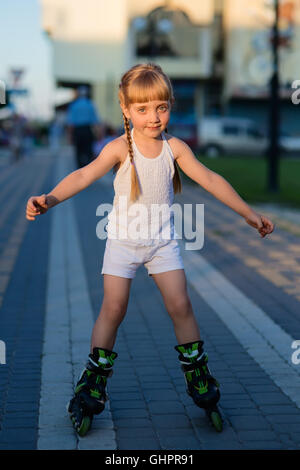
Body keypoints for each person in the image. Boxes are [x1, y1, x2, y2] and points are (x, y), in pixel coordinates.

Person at [25, 63, 274, 436]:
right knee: (114, 308)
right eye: (142, 109)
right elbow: (82, 175)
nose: (154, 117)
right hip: (123, 242)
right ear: (125, 110)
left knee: (181, 305)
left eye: (161, 107)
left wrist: (248, 214)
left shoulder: (174, 148)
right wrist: (49, 199)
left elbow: (209, 178)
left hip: (162, 244)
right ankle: (91, 384)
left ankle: (199, 378)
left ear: (170, 105)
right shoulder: (117, 149)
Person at [67, 86, 101, 168]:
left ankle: (79, 171)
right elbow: (95, 122)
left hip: (77, 131)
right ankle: (88, 169)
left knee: (78, 152)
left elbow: (70, 123)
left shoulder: (73, 105)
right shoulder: (90, 104)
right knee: (88, 151)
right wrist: (98, 134)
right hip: (87, 130)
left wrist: (70, 136)